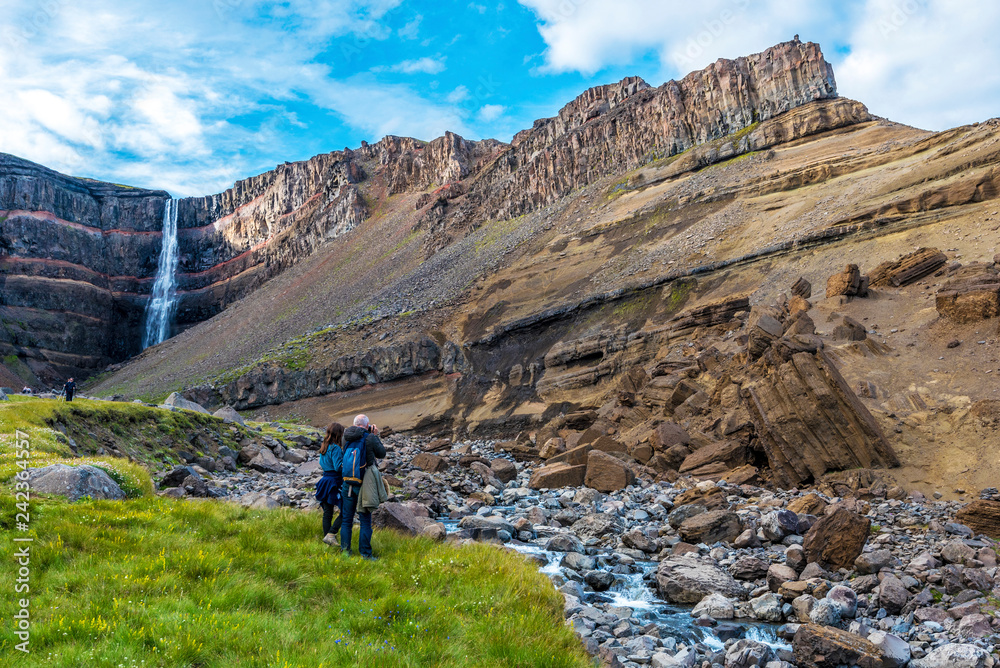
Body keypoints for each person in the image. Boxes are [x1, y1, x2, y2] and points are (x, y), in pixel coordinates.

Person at [340, 414, 386, 559]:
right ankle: (365, 554)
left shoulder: (346, 437)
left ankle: (345, 553)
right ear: (367, 425)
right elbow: (382, 453)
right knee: (365, 520)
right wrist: (374, 435)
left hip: (347, 482)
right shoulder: (370, 437)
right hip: (364, 483)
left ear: (354, 424)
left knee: (347, 519)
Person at [315, 422, 345, 538]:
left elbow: (322, 464)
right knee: (346, 511)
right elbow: (338, 467)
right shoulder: (336, 448)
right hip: (334, 482)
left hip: (325, 480)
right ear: (338, 434)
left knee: (327, 513)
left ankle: (326, 537)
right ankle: (331, 533)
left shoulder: (324, 446)